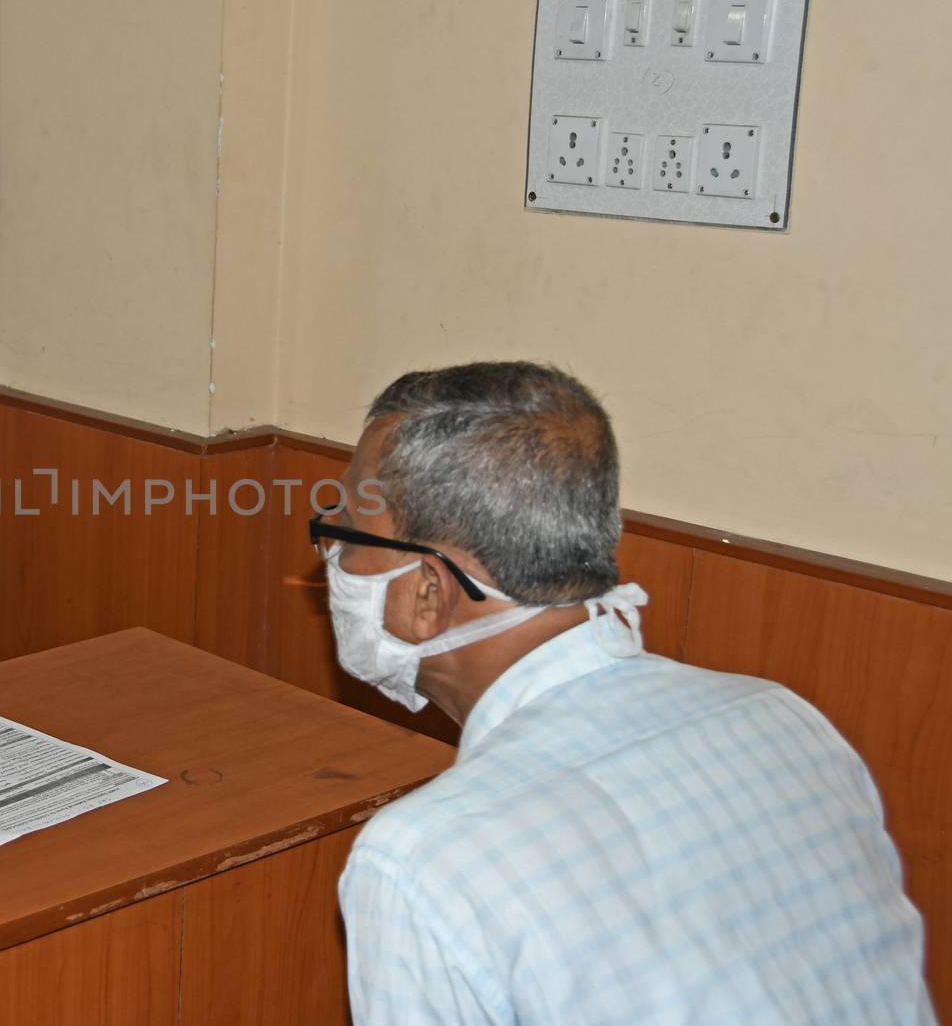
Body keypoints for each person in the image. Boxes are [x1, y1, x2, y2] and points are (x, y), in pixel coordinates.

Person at [319, 362, 934, 1024]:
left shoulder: (422, 862)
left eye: (349, 526)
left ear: (428, 593)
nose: (330, 549)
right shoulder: (785, 719)